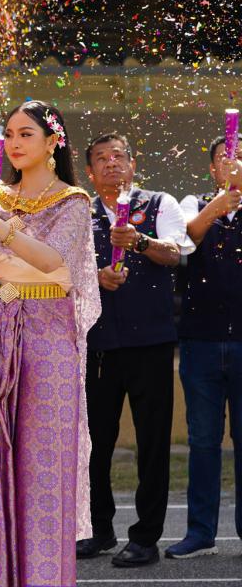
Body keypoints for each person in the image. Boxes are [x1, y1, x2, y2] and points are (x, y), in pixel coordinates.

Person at [0, 100, 100, 587]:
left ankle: (42, 577)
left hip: (49, 341)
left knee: (43, 463)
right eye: (10, 133)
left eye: (26, 134)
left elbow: (52, 259)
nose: (14, 142)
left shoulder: (73, 201)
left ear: (53, 141)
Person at [78, 133, 192, 567]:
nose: (111, 164)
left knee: (152, 443)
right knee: (94, 444)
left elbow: (176, 253)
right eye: (101, 159)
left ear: (133, 163)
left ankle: (145, 537)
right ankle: (98, 529)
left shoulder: (159, 203)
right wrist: (96, 276)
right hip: (97, 346)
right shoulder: (79, 211)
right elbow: (64, 268)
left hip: (151, 345)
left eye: (119, 157)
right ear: (90, 173)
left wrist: (140, 242)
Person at [167, 133, 242, 558]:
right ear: (212, 168)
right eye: (225, 158)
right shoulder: (192, 204)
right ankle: (200, 533)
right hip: (200, 343)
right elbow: (187, 239)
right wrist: (219, 203)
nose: (233, 163)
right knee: (203, 442)